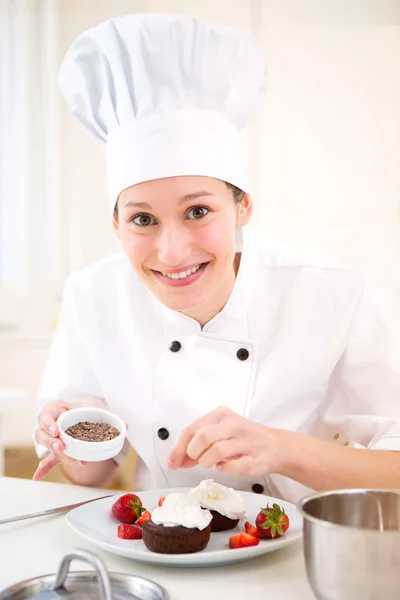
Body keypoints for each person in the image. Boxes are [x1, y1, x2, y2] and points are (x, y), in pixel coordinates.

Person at [33, 13, 400, 504]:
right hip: (154, 548)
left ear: (242, 206)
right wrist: (72, 438)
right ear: (116, 224)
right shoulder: (93, 295)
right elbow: (92, 477)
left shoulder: (339, 294)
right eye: (143, 219)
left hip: (297, 556)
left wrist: (281, 449)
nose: (172, 252)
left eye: (198, 211)